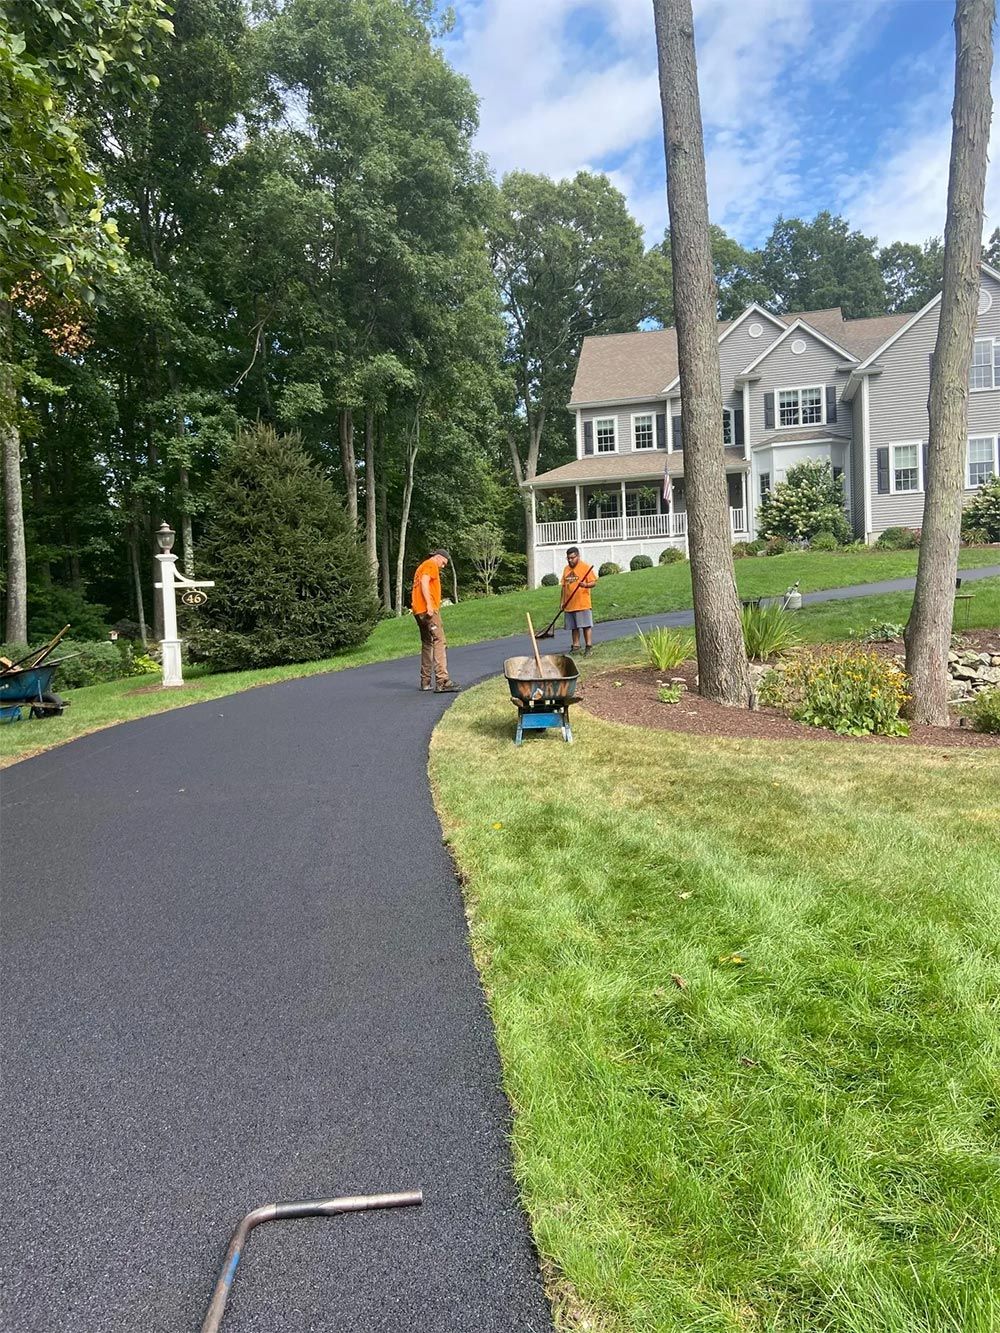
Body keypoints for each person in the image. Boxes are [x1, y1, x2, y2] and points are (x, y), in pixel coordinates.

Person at [411, 549, 459, 693]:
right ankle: (442, 681)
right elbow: (425, 582)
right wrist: (430, 605)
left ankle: (425, 681)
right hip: (427, 610)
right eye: (443, 563)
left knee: (427, 643)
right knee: (439, 641)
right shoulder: (431, 565)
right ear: (438, 557)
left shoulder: (421, 566)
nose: (443, 566)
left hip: (418, 610)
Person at [560, 546, 598, 654]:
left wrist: (585, 585)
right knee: (574, 627)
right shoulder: (566, 569)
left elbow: (593, 582)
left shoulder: (585, 567)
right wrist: (562, 602)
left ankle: (588, 647)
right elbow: (563, 586)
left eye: (572, 558)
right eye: (568, 558)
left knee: (586, 626)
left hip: (582, 603)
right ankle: (576, 646)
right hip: (569, 604)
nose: (570, 560)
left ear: (578, 556)